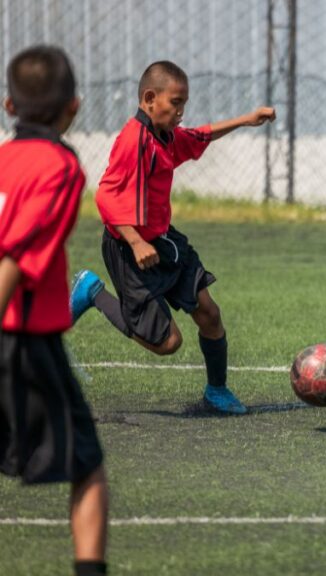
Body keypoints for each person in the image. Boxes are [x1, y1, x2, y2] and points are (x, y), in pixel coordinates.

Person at [69, 61, 275, 415]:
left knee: (209, 313)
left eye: (184, 104)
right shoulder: (134, 140)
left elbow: (198, 136)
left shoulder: (164, 134)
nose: (181, 112)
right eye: (176, 103)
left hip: (164, 242)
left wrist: (246, 119)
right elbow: (104, 197)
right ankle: (93, 292)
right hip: (128, 249)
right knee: (168, 343)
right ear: (150, 99)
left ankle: (217, 391)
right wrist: (136, 242)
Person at [0, 45, 109, 575]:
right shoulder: (60, 168)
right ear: (74, 107)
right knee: (87, 465)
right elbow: (15, 260)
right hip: (21, 341)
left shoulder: (2, 159)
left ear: (9, 106)